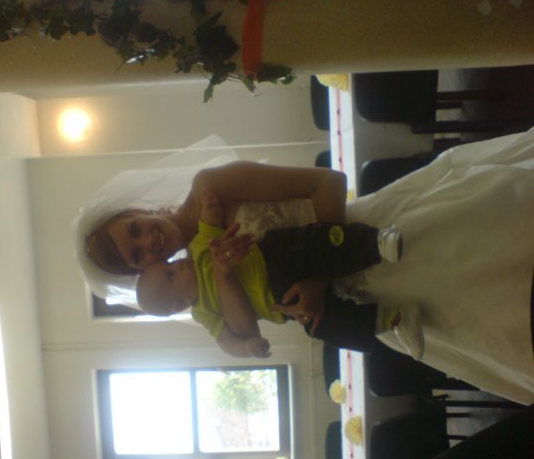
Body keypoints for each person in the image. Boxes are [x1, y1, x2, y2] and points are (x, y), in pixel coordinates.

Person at [75, 131, 534, 405]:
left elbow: (327, 183)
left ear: (138, 211)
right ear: (141, 273)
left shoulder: (210, 188)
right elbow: (247, 329)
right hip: (372, 303)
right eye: (138, 255)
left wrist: (317, 279)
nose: (148, 241)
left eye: (135, 228)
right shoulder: (200, 288)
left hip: (375, 239)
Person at [136, 188, 424, 359]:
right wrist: (246, 348)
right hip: (283, 303)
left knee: (318, 244)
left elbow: (209, 227)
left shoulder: (199, 252)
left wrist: (210, 210)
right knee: (321, 326)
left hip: (274, 258)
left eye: (169, 264)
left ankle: (375, 243)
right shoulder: (204, 313)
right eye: (171, 276)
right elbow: (226, 343)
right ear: (181, 304)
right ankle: (394, 319)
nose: (177, 265)